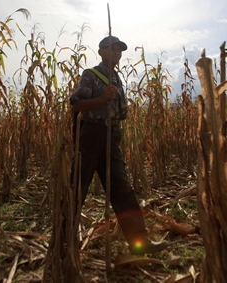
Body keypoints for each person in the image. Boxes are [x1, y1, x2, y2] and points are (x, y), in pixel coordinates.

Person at [70, 35, 168, 255]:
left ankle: (139, 241)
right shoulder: (91, 75)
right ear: (102, 52)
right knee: (76, 188)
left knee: (122, 188)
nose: (118, 53)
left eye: (120, 50)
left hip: (109, 135)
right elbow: (76, 104)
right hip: (90, 135)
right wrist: (101, 99)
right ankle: (64, 241)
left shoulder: (116, 78)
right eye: (113, 49)